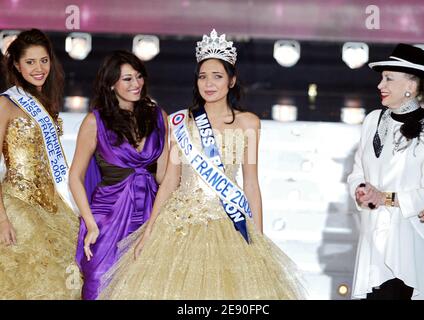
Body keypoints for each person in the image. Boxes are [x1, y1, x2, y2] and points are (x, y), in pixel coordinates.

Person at [98, 29, 306, 299]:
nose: (209, 83)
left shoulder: (248, 123)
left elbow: (251, 183)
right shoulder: (180, 122)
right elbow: (171, 180)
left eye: (217, 76)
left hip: (228, 223)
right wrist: (149, 230)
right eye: (203, 76)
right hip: (178, 225)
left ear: (231, 81)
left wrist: (259, 238)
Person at [348, 43, 424, 300]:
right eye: (382, 78)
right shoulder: (371, 121)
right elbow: (357, 172)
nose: (381, 85)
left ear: (411, 87)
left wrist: (386, 198)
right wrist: (361, 190)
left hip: (411, 246)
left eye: (389, 78)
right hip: (373, 245)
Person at [69, 50, 168, 300]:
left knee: (147, 288)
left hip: (149, 216)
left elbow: (164, 177)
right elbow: (75, 177)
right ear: (111, 83)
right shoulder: (95, 121)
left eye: (139, 77)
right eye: (127, 79)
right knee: (99, 285)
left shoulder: (159, 116)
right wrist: (90, 224)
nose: (136, 84)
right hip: (107, 217)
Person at [0, 29, 81, 299]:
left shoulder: (46, 104)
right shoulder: (5, 104)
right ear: (16, 64)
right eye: (31, 62)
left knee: (65, 280)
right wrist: (2, 219)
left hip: (53, 207)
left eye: (43, 60)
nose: (38, 68)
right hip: (17, 206)